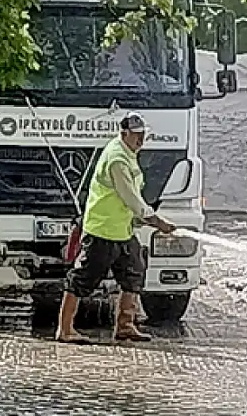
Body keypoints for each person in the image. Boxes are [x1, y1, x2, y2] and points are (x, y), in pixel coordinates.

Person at [56, 112, 176, 344]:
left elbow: (131, 199)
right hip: (101, 231)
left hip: (122, 230)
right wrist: (156, 221)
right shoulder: (117, 159)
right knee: (82, 278)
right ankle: (65, 329)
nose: (141, 141)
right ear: (123, 134)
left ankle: (125, 325)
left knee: (134, 271)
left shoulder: (127, 153)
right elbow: (131, 198)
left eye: (143, 135)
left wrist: (140, 219)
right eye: (136, 136)